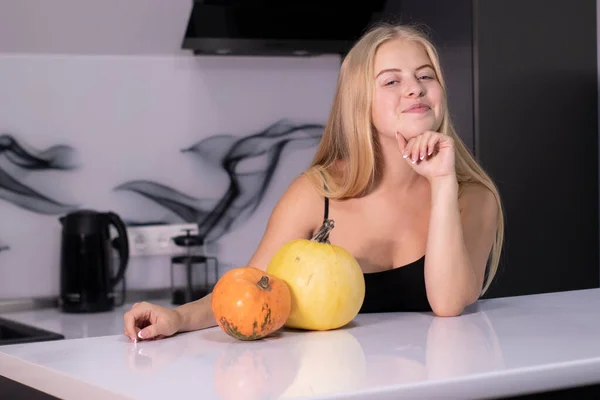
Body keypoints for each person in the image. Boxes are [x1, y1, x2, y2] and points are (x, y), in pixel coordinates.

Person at [123, 22, 504, 342]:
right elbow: (250, 288)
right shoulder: (314, 194)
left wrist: (441, 182)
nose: (414, 88)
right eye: (391, 81)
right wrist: (177, 319)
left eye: (426, 76)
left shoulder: (473, 197)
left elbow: (449, 302)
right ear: (360, 104)